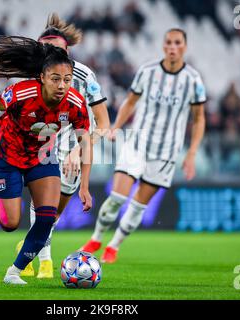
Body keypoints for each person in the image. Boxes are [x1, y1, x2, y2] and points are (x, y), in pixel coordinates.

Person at [0, 36, 92, 285]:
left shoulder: (76, 104)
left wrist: (84, 187)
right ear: (42, 78)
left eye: (67, 80)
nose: (62, 85)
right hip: (7, 155)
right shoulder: (22, 92)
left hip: (41, 157)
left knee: (47, 219)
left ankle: (13, 272)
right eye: (55, 79)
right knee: (10, 224)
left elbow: (86, 142)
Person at [80, 28, 207, 263]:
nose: (172, 47)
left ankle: (114, 245)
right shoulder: (147, 72)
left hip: (166, 153)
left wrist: (191, 153)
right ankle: (96, 238)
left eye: (177, 43)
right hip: (137, 142)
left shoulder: (193, 80)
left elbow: (199, 119)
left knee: (138, 205)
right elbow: (130, 102)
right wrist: (116, 126)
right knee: (117, 196)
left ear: (184, 47)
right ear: (163, 45)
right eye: (168, 42)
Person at [16, 13, 110, 279]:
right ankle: (43, 261)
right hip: (43, 145)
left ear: (67, 52)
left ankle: (30, 244)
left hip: (76, 146)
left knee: (54, 214)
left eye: (57, 50)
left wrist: (80, 149)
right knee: (42, 206)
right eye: (47, 50)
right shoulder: (33, 75)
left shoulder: (85, 75)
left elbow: (103, 123)